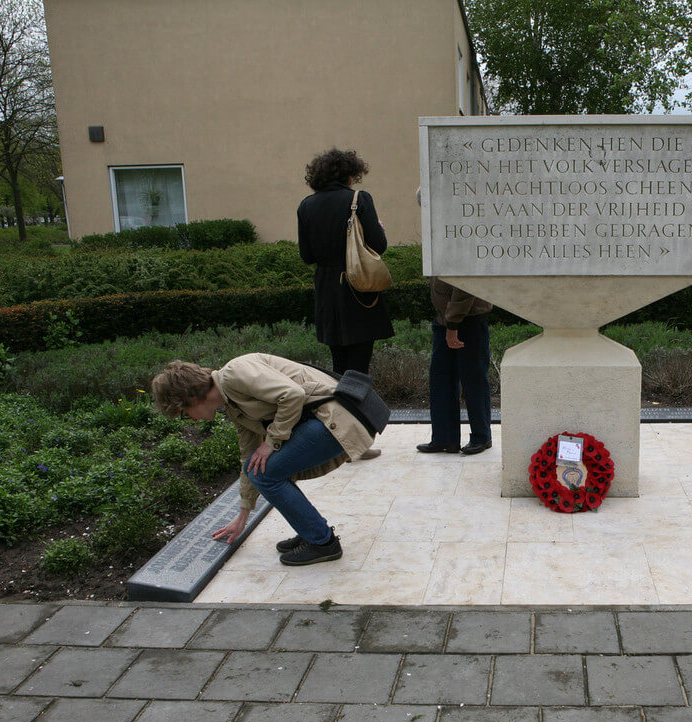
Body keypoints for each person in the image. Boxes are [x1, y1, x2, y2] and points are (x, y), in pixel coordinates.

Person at [151, 354, 376, 566]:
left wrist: (271, 443)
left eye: (183, 413)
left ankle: (322, 542)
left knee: (266, 473)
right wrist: (243, 513)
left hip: (337, 416)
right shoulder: (233, 405)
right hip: (328, 417)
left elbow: (292, 394)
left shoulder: (234, 374)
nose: (190, 419)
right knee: (260, 470)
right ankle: (313, 532)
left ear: (191, 397)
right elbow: (249, 457)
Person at [298, 148, 389, 459]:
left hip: (326, 292)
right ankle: (355, 443)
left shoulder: (306, 205)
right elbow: (378, 245)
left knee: (336, 372)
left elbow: (307, 255)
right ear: (351, 173)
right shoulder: (358, 200)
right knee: (358, 370)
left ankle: (337, 443)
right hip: (356, 290)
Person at [416, 278, 493, 455]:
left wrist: (453, 323)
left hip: (469, 319)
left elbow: (465, 283)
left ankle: (481, 437)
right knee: (440, 379)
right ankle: (444, 439)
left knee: (474, 379)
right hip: (444, 319)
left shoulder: (459, 249)